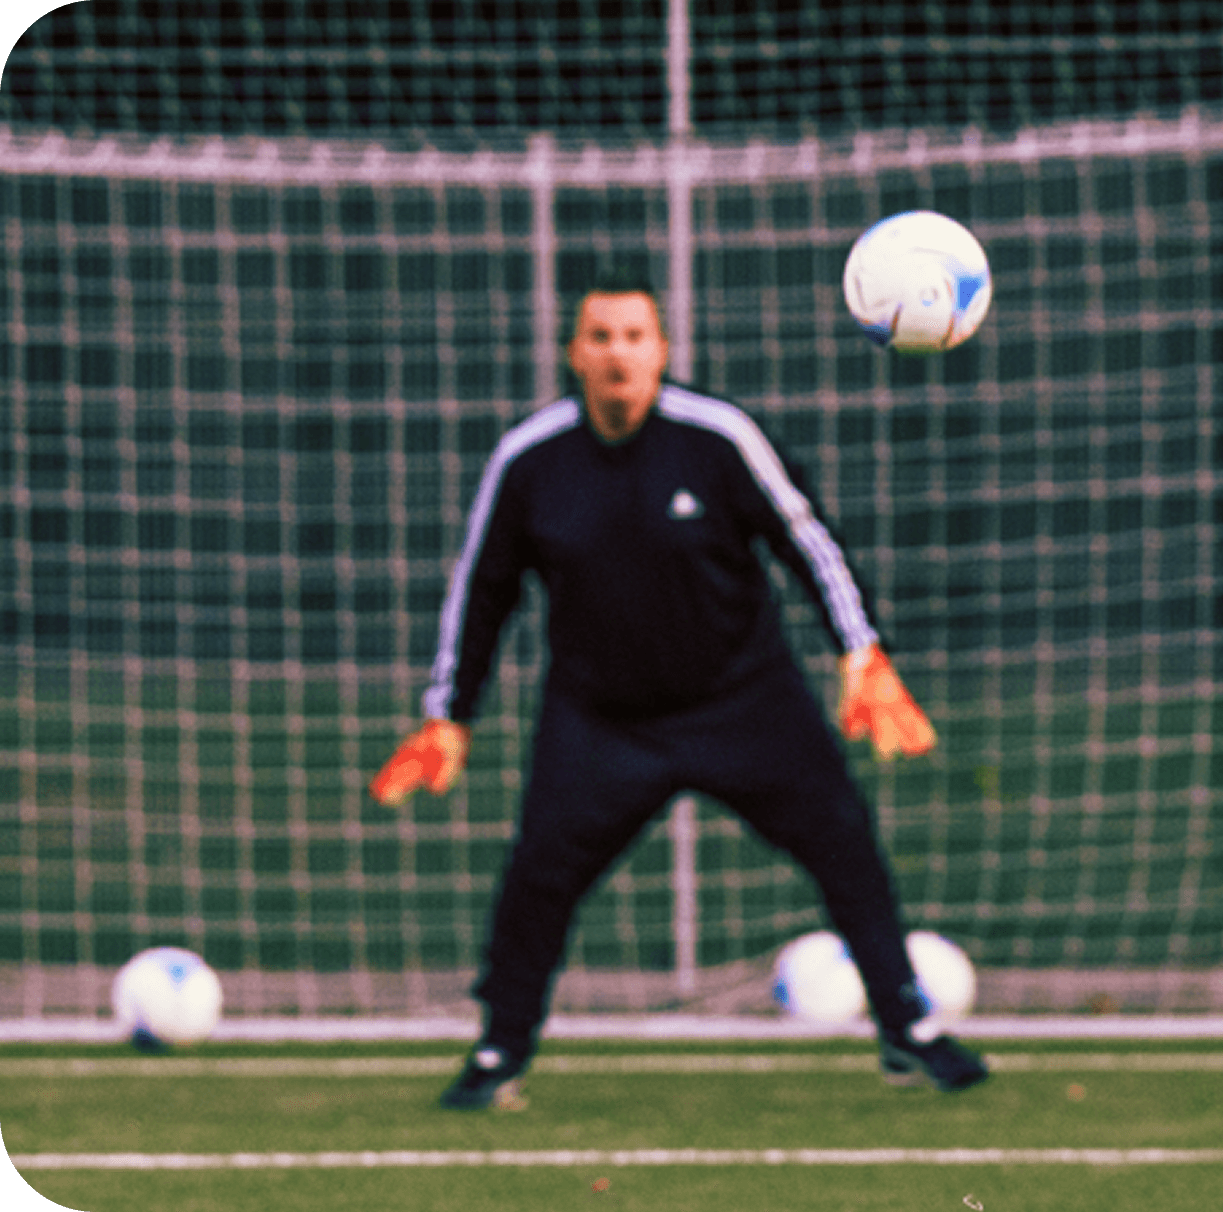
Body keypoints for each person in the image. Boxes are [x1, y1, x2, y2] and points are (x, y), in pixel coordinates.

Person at [370, 267, 989, 1110]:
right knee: (538, 876)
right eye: (601, 337)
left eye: (634, 336)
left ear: (661, 349)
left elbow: (807, 540)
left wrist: (862, 652)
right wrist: (448, 715)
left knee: (845, 842)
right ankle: (499, 1051)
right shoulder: (530, 461)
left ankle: (906, 1027)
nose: (619, 353)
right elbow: (481, 588)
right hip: (601, 720)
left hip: (745, 701)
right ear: (574, 354)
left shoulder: (718, 436)